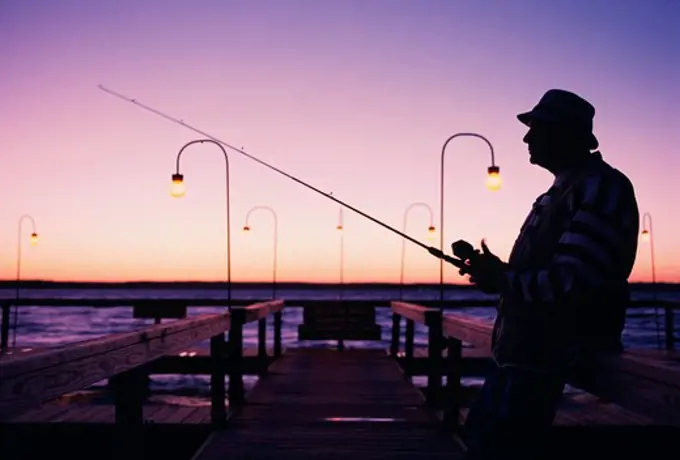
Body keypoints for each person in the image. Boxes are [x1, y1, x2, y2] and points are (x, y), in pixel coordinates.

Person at [449, 89, 640, 459]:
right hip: (518, 354)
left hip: (545, 359)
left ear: (565, 133)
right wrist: (497, 272)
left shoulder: (600, 186)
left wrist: (502, 279)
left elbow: (572, 280)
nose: (526, 137)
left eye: (536, 127)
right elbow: (550, 273)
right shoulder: (558, 192)